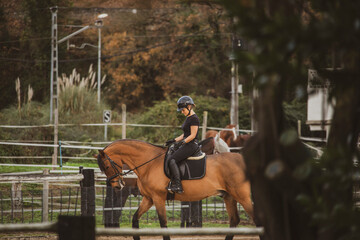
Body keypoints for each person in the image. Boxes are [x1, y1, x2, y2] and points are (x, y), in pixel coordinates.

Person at [165, 96, 200, 194]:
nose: (182, 112)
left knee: (172, 160)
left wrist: (182, 143)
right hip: (187, 142)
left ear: (189, 106)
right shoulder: (188, 118)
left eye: (183, 110)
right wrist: (173, 140)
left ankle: (178, 186)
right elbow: (185, 134)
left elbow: (192, 135)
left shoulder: (194, 119)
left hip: (191, 145)